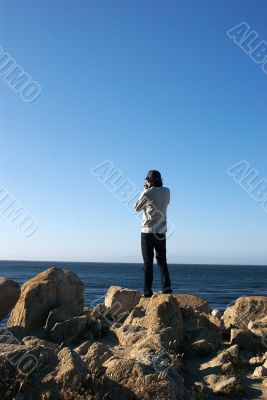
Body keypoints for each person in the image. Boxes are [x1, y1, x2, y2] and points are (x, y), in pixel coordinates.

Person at [135, 170, 172, 297]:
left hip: (148, 231)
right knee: (162, 261)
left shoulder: (147, 192)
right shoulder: (167, 191)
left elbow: (137, 207)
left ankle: (147, 291)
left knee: (148, 263)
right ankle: (167, 288)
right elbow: (166, 203)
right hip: (161, 231)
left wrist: (145, 190)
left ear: (149, 180)